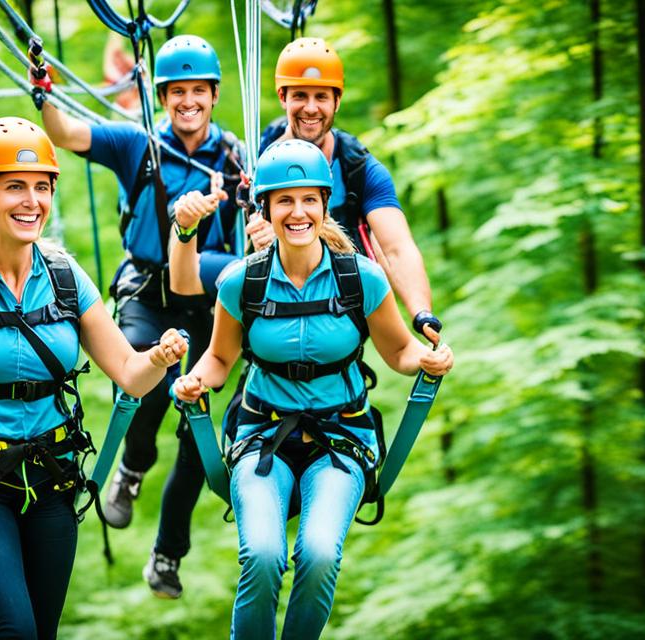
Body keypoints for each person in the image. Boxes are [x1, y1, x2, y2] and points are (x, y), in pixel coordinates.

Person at [0, 117, 187, 639]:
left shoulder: (64, 279)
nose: (31, 201)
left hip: (53, 479)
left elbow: (129, 374)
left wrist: (160, 359)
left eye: (41, 187)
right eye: (15, 187)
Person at [172, 139, 454, 640]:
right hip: (261, 436)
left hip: (341, 438)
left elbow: (398, 351)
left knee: (320, 553)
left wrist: (426, 358)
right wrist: (195, 380)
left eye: (309, 200)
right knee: (261, 554)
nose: (297, 212)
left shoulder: (360, 279)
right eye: (284, 200)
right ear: (266, 208)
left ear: (325, 206)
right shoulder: (242, 283)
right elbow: (219, 358)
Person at [35, 34, 265, 598]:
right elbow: (64, 135)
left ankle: (167, 555)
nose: (187, 101)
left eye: (198, 91)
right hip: (149, 292)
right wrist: (43, 87)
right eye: (176, 92)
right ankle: (133, 466)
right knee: (143, 373)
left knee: (199, 426)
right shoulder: (137, 144)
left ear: (213, 95)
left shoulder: (240, 159)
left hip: (211, 306)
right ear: (162, 96)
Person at [263, 37, 441, 339]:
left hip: (340, 302)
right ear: (282, 97)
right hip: (276, 299)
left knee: (375, 235)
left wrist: (421, 313)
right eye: (300, 96)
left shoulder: (359, 168)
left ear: (337, 101)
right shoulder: (261, 164)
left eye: (321, 97)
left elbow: (396, 247)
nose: (310, 108)